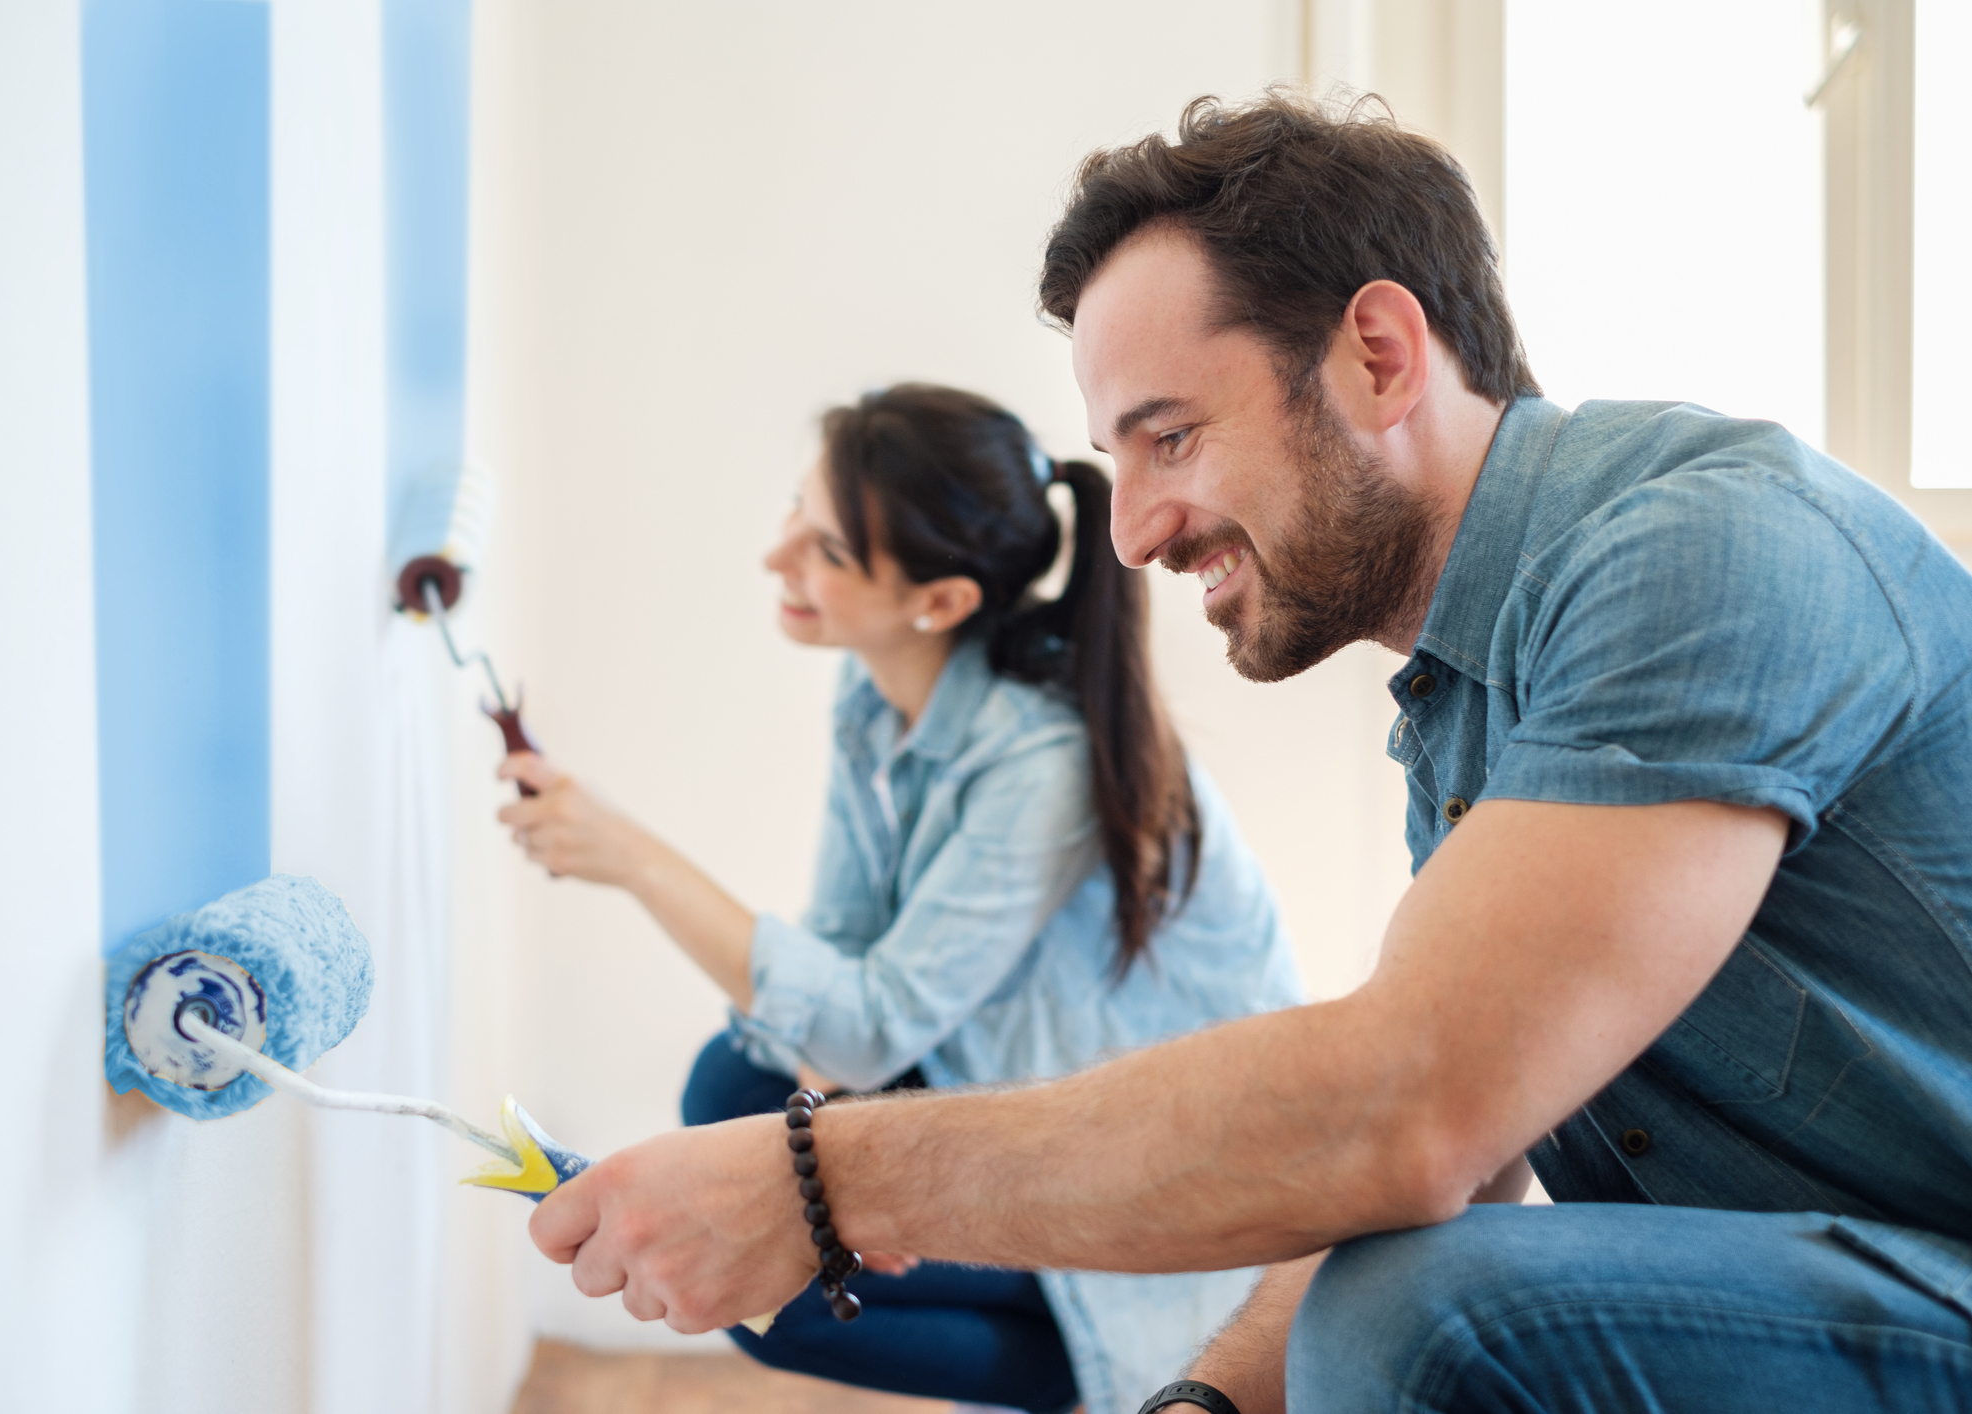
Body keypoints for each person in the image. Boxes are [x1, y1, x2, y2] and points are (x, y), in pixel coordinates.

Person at [520, 90, 1972, 1414]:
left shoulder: (1705, 552)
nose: (1137, 531)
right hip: (1834, 1280)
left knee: (1428, 1318)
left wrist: (821, 1180)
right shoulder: (1462, 709)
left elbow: (1410, 1111)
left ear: (1379, 356)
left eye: (1171, 439)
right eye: (1115, 466)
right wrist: (1200, 1403)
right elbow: (1459, 1150)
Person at [496, 382, 1304, 1414]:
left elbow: (867, 1030)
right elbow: (841, 959)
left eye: (827, 549)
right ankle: (1021, 1310)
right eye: (801, 509)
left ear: (941, 603)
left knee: (768, 1265)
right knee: (733, 1094)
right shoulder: (876, 694)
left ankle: (1122, 1351)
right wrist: (840, 1170)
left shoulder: (1042, 762)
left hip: (1160, 1176)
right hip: (1011, 1082)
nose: (778, 555)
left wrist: (634, 859)